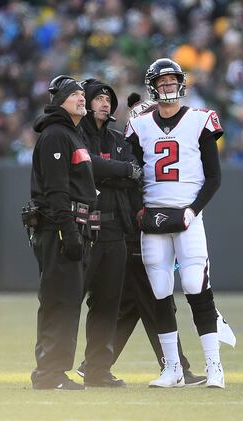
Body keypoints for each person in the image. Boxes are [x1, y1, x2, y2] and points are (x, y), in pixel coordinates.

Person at [125, 58, 225, 388]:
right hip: (152, 216)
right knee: (160, 291)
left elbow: (213, 178)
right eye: (162, 82)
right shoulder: (139, 124)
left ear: (180, 83)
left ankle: (214, 367)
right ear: (153, 87)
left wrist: (192, 210)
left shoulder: (200, 119)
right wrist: (140, 209)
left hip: (187, 215)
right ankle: (173, 369)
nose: (168, 86)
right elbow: (133, 175)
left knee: (196, 286)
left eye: (172, 81)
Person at [29, 75, 96, 391]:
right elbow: (56, 191)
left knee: (66, 301)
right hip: (58, 230)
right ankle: (50, 373)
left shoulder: (71, 134)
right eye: (74, 94)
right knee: (60, 300)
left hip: (69, 229)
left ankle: (50, 370)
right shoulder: (56, 135)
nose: (82, 98)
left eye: (83, 93)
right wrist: (68, 233)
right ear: (59, 101)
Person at [76, 78, 142, 388]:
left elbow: (134, 173)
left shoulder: (118, 139)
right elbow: (88, 169)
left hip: (115, 229)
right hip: (84, 229)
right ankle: (53, 368)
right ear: (85, 101)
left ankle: (98, 370)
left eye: (108, 98)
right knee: (69, 300)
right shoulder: (74, 136)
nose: (105, 102)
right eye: (99, 97)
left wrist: (113, 170)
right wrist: (120, 170)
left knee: (107, 304)